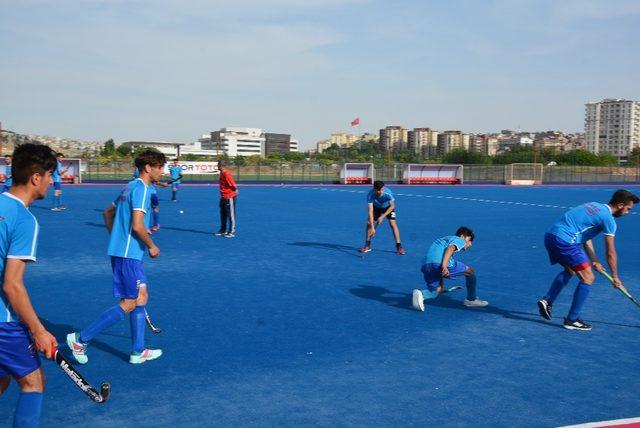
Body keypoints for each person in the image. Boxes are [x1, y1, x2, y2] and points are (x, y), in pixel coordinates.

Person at [67, 149, 166, 364]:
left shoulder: (128, 186)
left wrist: (117, 238)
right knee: (129, 302)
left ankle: (138, 351)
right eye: (160, 167)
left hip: (126, 252)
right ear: (148, 168)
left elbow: (107, 213)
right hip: (129, 255)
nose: (162, 171)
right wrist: (152, 246)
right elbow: (138, 226)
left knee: (141, 297)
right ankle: (81, 339)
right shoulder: (141, 189)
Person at [0, 144, 58, 427]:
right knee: (33, 383)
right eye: (49, 174)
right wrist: (39, 330)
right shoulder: (24, 220)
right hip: (3, 321)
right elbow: (12, 285)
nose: (52, 181)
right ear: (36, 177)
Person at [537, 189, 638, 331]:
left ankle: (547, 300)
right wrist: (615, 277)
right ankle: (571, 320)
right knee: (588, 277)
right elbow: (610, 252)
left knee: (570, 270)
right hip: (567, 242)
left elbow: (585, 236)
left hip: (551, 236)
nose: (628, 212)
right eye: (628, 209)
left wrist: (594, 260)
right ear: (620, 205)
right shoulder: (608, 219)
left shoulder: (594, 205)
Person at [412, 226, 488, 311]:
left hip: (426, 265)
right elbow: (450, 248)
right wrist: (444, 266)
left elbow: (437, 257)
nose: (470, 244)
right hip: (440, 264)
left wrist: (441, 285)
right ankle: (471, 300)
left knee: (434, 291)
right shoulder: (459, 240)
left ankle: (421, 294)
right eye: (469, 240)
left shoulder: (444, 239)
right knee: (470, 271)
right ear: (462, 236)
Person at [360, 180, 405, 255]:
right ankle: (367, 245)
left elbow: (392, 206)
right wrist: (373, 228)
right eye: (378, 191)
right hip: (376, 207)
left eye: (382, 190)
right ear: (374, 189)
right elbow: (370, 211)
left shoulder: (388, 193)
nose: (381, 192)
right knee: (369, 223)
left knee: (392, 223)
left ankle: (399, 246)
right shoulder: (370, 194)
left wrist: (382, 217)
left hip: (387, 207)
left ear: (383, 188)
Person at [216, 159, 238, 238]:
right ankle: (223, 230)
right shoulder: (221, 173)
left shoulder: (227, 173)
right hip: (223, 197)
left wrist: (236, 191)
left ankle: (231, 231)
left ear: (221, 165)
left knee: (230, 215)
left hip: (229, 197)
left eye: (217, 165)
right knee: (223, 214)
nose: (216, 166)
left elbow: (233, 185)